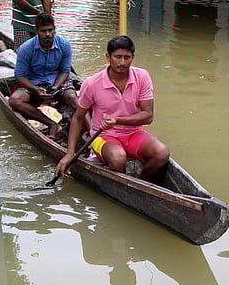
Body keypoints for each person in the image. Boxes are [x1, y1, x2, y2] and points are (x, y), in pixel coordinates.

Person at [55, 35, 169, 181]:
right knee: (118, 159)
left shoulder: (142, 76)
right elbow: (78, 117)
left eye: (127, 57)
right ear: (108, 57)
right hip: (102, 136)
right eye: (118, 57)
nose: (122, 62)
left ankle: (140, 183)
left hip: (134, 133)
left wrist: (117, 120)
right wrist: (70, 153)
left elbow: (148, 116)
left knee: (162, 153)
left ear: (133, 58)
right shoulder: (92, 83)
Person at [9, 13, 79, 137]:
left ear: (54, 29)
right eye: (43, 31)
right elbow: (20, 76)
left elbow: (65, 72)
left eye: (50, 30)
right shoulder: (25, 49)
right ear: (36, 31)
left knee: (74, 99)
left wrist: (55, 87)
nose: (47, 34)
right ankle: (52, 124)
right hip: (34, 83)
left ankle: (93, 130)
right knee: (14, 101)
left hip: (57, 82)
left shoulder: (64, 45)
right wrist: (35, 89)